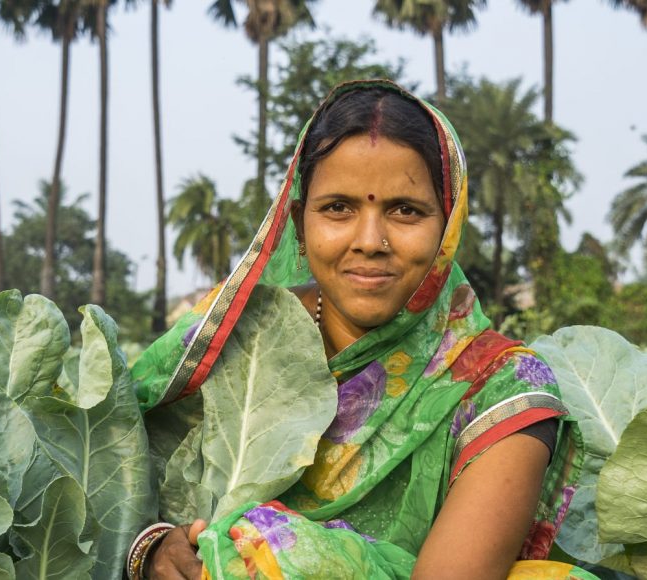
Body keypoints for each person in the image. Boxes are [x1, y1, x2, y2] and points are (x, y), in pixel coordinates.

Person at [125, 80, 594, 580]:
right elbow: (114, 479)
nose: (371, 240)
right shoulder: (233, 339)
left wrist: (279, 555)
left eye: (405, 210)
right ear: (299, 227)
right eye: (338, 208)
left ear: (447, 229)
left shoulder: (503, 387)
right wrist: (152, 551)